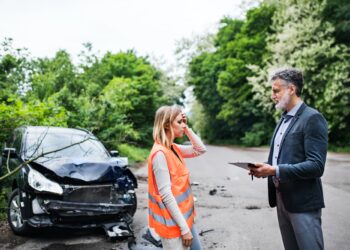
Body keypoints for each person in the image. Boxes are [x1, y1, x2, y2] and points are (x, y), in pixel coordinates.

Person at [249, 68, 328, 250]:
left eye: (276, 90)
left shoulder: (313, 118)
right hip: (281, 198)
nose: (272, 95)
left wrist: (275, 170)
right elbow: (283, 157)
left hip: (303, 202)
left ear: (291, 89)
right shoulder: (283, 119)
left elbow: (316, 166)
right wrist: (264, 167)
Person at [148, 105, 206, 250]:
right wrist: (184, 229)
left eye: (183, 122)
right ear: (167, 124)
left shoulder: (173, 147)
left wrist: (186, 129)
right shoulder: (160, 154)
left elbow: (200, 149)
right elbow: (166, 195)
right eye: (179, 122)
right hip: (174, 226)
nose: (183, 125)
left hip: (185, 219)